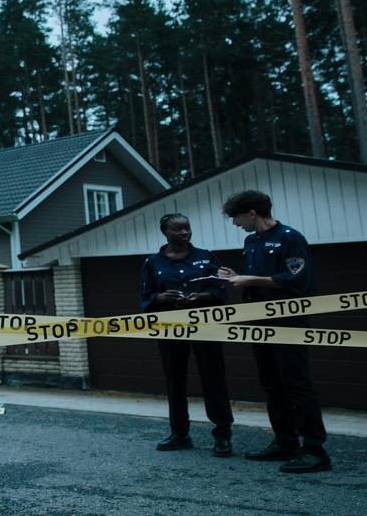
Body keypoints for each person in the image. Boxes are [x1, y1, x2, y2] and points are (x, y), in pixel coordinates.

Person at [218, 190, 332, 473]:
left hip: (288, 321)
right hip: (259, 321)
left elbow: (298, 279)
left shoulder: (290, 238)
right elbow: (258, 280)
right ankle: (285, 442)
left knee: (297, 383)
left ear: (252, 213)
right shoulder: (251, 241)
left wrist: (252, 279)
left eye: (236, 217)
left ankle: (315, 451)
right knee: (271, 382)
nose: (234, 223)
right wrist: (236, 277)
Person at [139, 213, 234, 457]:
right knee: (175, 380)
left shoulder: (206, 256)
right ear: (165, 232)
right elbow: (145, 297)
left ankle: (222, 435)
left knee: (214, 377)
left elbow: (221, 287)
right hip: (170, 327)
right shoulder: (153, 263)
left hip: (204, 326)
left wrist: (206, 297)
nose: (184, 233)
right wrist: (159, 298)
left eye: (187, 228)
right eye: (178, 229)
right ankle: (180, 434)